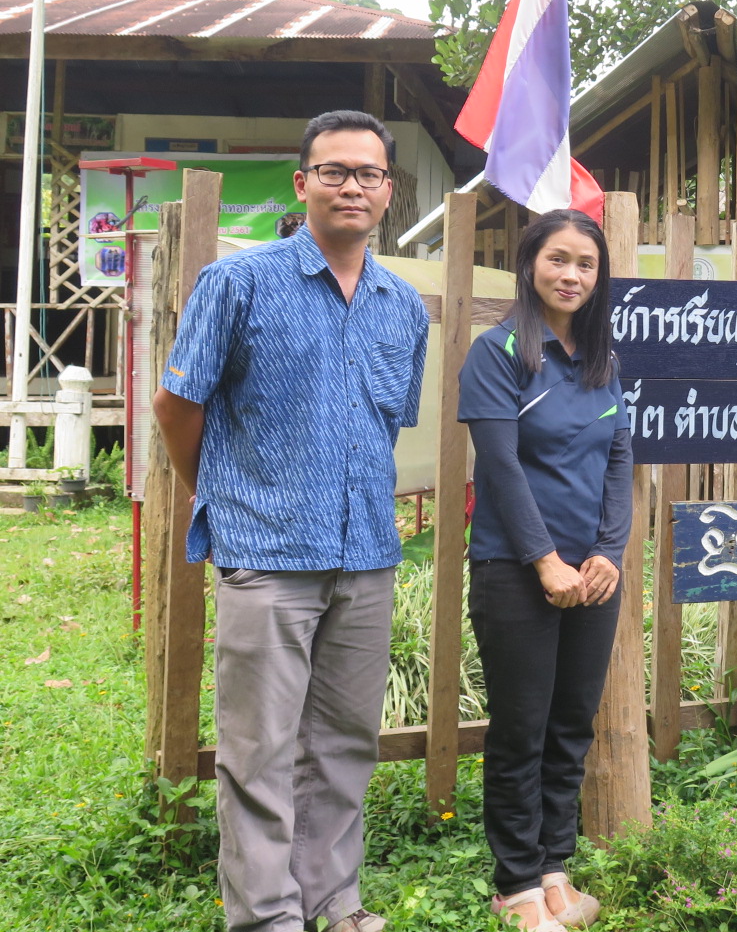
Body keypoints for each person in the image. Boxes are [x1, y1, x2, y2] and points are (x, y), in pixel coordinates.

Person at [152, 111, 429, 932]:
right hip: (266, 554)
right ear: (302, 183)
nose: (353, 186)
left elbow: (381, 429)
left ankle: (333, 902)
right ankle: (267, 917)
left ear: (387, 191)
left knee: (345, 744)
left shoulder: (401, 307)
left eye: (369, 174)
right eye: (335, 171)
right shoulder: (238, 283)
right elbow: (177, 406)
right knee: (260, 751)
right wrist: (226, 495)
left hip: (367, 555)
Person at [457, 209, 632, 931]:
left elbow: (618, 458)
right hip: (514, 570)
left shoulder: (601, 360)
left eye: (586, 265)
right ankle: (517, 887)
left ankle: (555, 869)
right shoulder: (497, 353)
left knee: (570, 726)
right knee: (521, 731)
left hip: (589, 575)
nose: (572, 275)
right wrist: (546, 561)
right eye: (559, 260)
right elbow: (499, 467)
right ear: (531, 264)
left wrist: (607, 552)